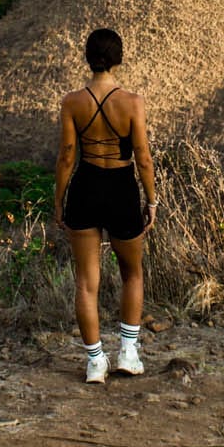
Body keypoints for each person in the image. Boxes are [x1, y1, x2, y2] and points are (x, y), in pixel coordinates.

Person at [53, 28, 157, 383]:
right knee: (132, 273)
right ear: (118, 57)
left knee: (86, 282)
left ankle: (95, 362)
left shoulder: (72, 102)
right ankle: (128, 353)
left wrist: (59, 201)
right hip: (121, 187)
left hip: (85, 185)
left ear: (88, 57)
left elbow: (67, 156)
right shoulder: (132, 102)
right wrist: (152, 200)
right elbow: (142, 157)